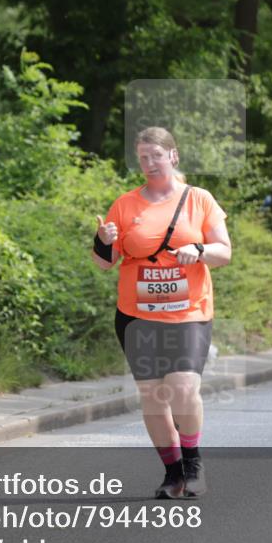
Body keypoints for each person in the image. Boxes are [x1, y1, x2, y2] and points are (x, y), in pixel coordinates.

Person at [91, 127, 231, 499]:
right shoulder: (125, 204)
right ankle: (172, 474)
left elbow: (225, 252)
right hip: (136, 314)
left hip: (188, 311)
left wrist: (199, 249)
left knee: (184, 388)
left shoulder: (199, 199)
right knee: (153, 397)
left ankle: (194, 465)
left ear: (173, 155)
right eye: (143, 157)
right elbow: (106, 263)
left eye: (156, 155)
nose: (150, 163)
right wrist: (103, 240)